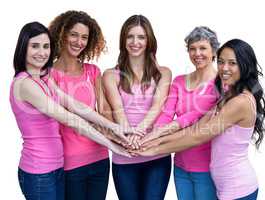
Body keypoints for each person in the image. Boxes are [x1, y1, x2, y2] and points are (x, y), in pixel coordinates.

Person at [134, 39, 265, 200]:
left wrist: (151, 150)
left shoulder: (240, 102)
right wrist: (152, 140)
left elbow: (197, 137)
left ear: (245, 65)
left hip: (238, 189)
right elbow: (194, 129)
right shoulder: (228, 96)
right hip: (225, 187)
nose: (224, 68)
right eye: (221, 62)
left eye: (232, 63)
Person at [10, 22, 128, 200]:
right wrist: (112, 146)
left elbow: (77, 107)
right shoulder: (24, 84)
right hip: (39, 173)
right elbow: (69, 118)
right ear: (23, 48)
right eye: (34, 46)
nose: (42, 53)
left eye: (46, 46)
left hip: (56, 167)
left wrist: (115, 127)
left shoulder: (42, 79)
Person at [48, 10, 139, 200]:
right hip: (70, 161)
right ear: (62, 34)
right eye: (73, 35)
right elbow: (65, 117)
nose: (78, 42)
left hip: (99, 157)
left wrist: (121, 137)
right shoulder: (49, 75)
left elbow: (104, 112)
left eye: (84, 37)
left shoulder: (92, 72)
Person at [140, 26, 220, 200]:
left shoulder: (221, 85)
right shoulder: (179, 81)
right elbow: (166, 114)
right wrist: (153, 134)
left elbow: (196, 119)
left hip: (206, 168)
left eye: (202, 48)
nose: (197, 53)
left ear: (214, 51)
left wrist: (158, 138)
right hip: (181, 166)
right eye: (192, 49)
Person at [102, 14, 172, 200]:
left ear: (149, 41)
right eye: (130, 36)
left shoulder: (163, 73)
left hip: (156, 156)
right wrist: (130, 137)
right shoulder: (110, 75)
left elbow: (157, 106)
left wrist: (138, 134)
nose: (135, 42)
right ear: (123, 40)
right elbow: (118, 111)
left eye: (141, 37)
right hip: (125, 155)